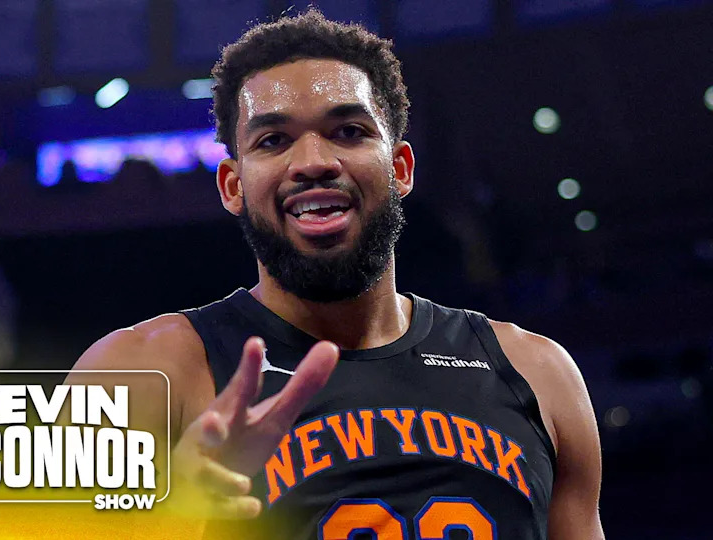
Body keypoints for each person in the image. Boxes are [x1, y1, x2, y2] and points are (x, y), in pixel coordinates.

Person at [68, 9, 603, 539]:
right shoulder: (141, 375)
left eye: (347, 131)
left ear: (400, 169)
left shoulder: (537, 371)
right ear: (232, 186)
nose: (314, 161)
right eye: (273, 140)